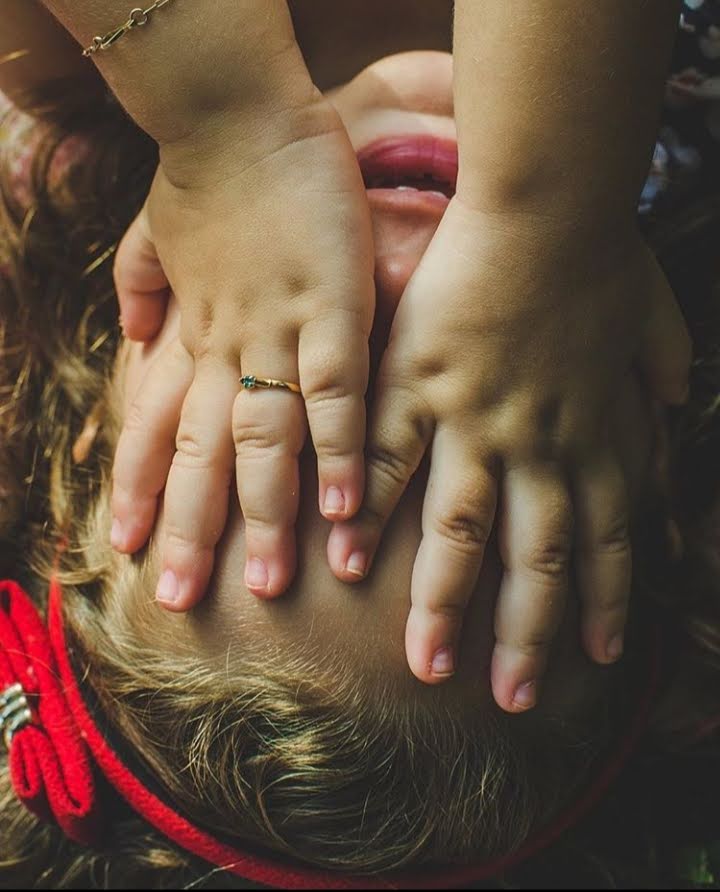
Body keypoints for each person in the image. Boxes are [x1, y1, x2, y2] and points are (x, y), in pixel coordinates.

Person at [1, 32, 719, 887]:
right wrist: (552, 220)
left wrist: (221, 122)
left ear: (91, 426)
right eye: (500, 425)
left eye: (287, 388)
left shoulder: (55, 53)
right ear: (653, 488)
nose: (411, 269)